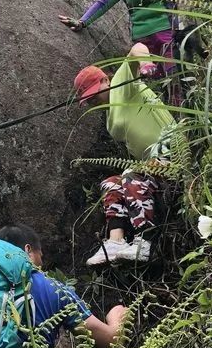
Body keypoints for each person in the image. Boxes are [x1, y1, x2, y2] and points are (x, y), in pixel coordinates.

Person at [75, 47, 176, 266]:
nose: (92, 100)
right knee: (110, 183)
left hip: (172, 155)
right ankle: (115, 241)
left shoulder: (122, 85)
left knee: (130, 174)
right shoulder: (110, 116)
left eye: (93, 92)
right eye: (87, 98)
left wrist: (145, 63)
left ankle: (144, 241)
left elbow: (137, 49)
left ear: (105, 81)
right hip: (150, 167)